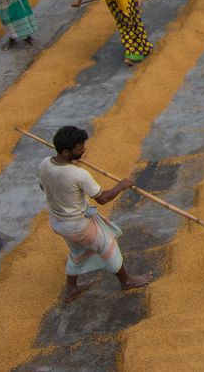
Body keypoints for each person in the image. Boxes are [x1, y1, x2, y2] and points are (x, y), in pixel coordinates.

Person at [38, 126, 152, 304]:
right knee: (108, 245)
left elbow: (42, 186)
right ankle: (127, 281)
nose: (83, 150)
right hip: (77, 224)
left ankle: (72, 289)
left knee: (77, 252)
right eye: (79, 148)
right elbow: (103, 198)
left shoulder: (45, 163)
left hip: (58, 222)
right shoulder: (79, 174)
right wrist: (121, 186)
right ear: (66, 151)